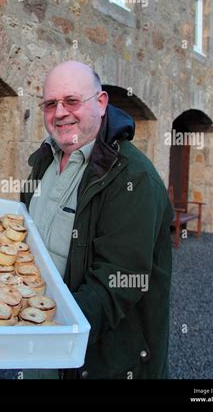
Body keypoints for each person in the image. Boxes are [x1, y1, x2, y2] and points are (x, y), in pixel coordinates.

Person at [20, 61, 173, 379]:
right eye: (50, 104)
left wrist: (42, 322)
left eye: (72, 101)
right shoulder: (45, 159)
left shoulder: (134, 178)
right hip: (36, 341)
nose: (60, 112)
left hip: (98, 360)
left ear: (101, 103)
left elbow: (116, 284)